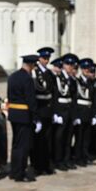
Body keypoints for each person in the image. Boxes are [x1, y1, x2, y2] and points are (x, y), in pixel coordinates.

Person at [7, 55, 40, 182]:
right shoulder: (27, 78)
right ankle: (20, 173)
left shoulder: (13, 76)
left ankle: (14, 172)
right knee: (23, 146)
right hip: (24, 115)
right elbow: (31, 99)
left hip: (14, 114)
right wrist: (35, 116)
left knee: (16, 144)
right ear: (31, 65)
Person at [30, 47, 55, 175]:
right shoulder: (35, 72)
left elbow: (53, 92)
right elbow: (34, 93)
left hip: (48, 110)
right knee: (38, 141)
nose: (46, 60)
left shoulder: (50, 73)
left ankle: (46, 164)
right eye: (44, 58)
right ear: (39, 58)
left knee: (47, 140)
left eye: (48, 58)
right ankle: (37, 166)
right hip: (39, 109)